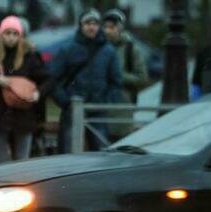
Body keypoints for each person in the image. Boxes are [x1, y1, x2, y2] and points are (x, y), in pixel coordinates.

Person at [0, 15, 47, 163]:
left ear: (20, 35)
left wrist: (38, 93)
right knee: (0, 162)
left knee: (22, 162)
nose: (11, 38)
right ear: (1, 34)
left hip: (24, 116)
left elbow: (47, 79)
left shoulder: (29, 54)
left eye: (15, 33)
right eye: (7, 33)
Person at [49, 8, 121, 154]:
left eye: (95, 23)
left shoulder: (108, 51)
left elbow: (115, 82)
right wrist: (65, 101)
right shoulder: (68, 49)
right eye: (87, 23)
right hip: (72, 109)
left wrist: (106, 103)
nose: (91, 26)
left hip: (97, 110)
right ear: (81, 26)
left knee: (101, 155)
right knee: (68, 154)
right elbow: (52, 79)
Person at [102, 8, 149, 141]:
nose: (108, 31)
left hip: (122, 109)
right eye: (105, 27)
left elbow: (142, 78)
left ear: (120, 28)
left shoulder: (131, 49)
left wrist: (118, 75)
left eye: (112, 27)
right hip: (100, 107)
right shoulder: (99, 47)